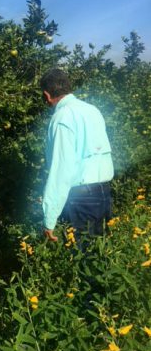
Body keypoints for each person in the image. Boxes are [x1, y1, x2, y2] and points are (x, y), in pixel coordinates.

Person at [40, 68, 114, 243]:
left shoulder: (62, 118)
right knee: (100, 254)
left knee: (82, 259)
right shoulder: (92, 110)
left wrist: (49, 219)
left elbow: (62, 170)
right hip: (103, 192)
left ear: (46, 95)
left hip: (81, 198)